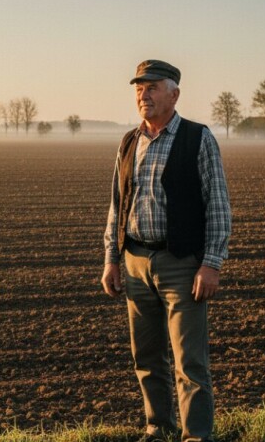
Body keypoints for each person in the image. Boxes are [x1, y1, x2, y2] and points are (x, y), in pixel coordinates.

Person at [101, 59, 231, 442]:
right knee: (146, 356)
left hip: (181, 265)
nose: (144, 95)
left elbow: (218, 204)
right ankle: (158, 428)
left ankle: (196, 436)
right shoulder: (129, 141)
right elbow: (117, 205)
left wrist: (211, 263)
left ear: (174, 94)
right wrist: (111, 259)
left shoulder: (197, 138)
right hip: (135, 261)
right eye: (139, 88)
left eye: (153, 87)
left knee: (190, 361)